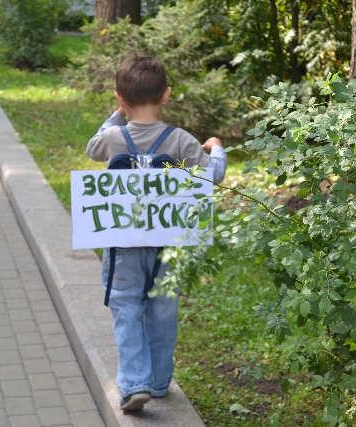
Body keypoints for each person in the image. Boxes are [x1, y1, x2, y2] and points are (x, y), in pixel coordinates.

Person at [86, 53, 227, 411]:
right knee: (163, 309)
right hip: (170, 244)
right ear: (166, 95)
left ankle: (135, 384)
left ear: (120, 99)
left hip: (124, 245)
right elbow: (213, 176)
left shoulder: (114, 138)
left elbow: (92, 146)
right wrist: (217, 147)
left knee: (126, 308)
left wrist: (118, 114)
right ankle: (160, 381)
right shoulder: (180, 140)